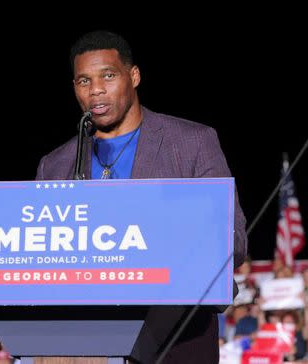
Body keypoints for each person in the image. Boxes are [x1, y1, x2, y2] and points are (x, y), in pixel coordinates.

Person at [36, 30, 248, 363]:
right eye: (83, 81)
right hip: (82, 334)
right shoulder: (55, 165)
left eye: (108, 75)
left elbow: (231, 239)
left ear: (133, 76)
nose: (96, 91)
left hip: (176, 336)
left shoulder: (192, 143)